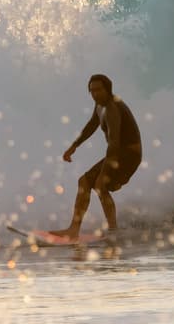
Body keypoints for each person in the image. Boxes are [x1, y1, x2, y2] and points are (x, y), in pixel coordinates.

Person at [59, 73, 144, 239]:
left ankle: (113, 231)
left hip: (129, 154)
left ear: (108, 89)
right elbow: (92, 125)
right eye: (92, 91)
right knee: (84, 181)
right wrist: (74, 146)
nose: (95, 94)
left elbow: (114, 143)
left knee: (100, 184)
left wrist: (104, 173)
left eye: (98, 90)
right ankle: (73, 230)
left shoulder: (112, 108)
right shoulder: (100, 105)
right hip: (118, 152)